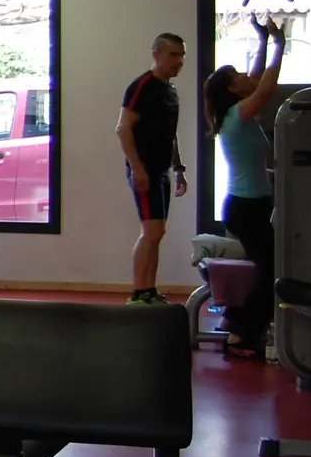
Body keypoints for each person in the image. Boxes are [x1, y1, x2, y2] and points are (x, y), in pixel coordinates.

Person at [204, 19, 286, 359]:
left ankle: (240, 329)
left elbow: (254, 78)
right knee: (273, 274)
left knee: (271, 270)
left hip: (249, 204)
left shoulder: (236, 110)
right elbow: (265, 86)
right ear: (232, 90)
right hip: (246, 207)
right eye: (236, 77)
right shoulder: (239, 113)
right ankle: (237, 331)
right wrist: (280, 45)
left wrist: (262, 39)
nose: (245, 78)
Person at [117, 33, 187, 305]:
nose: (179, 61)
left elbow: (171, 135)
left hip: (161, 170)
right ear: (156, 55)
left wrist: (178, 168)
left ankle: (149, 289)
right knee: (151, 232)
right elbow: (123, 129)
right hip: (144, 169)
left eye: (181, 55)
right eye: (173, 55)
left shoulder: (170, 91)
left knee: (157, 232)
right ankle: (138, 293)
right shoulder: (142, 87)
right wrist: (137, 168)